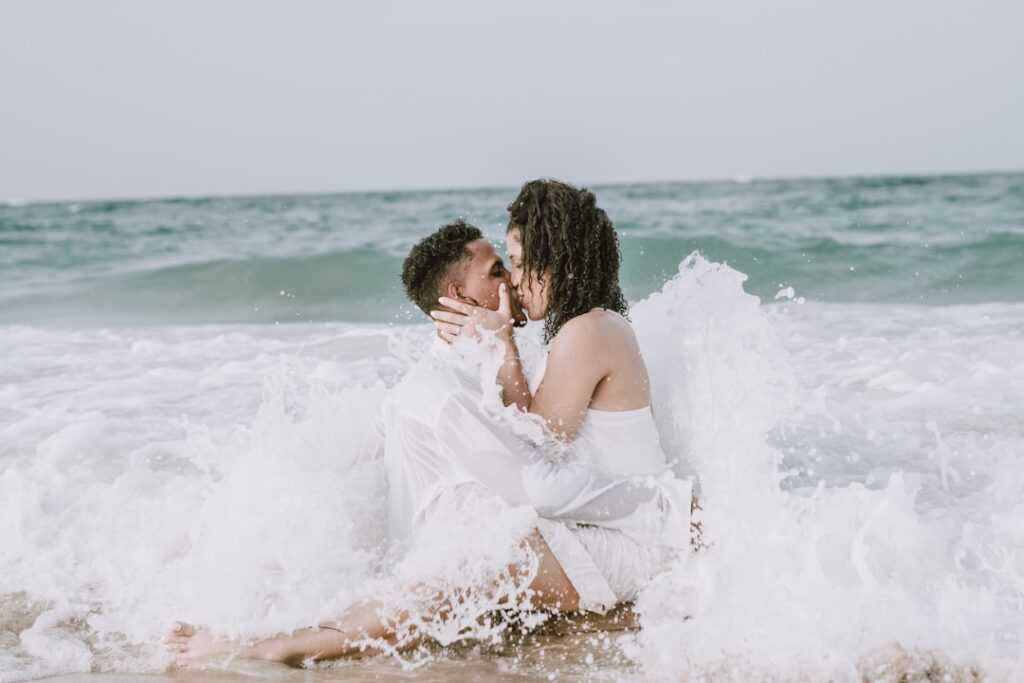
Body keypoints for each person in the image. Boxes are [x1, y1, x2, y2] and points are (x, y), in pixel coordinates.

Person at [165, 219, 692, 666]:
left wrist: (504, 343)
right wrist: (665, 506)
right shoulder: (444, 393)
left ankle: (612, 611)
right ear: (462, 299)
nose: (511, 279)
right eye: (496, 271)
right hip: (449, 557)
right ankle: (278, 646)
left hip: (466, 550)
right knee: (479, 556)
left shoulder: (483, 365)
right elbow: (537, 483)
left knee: (484, 551)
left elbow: (535, 446)